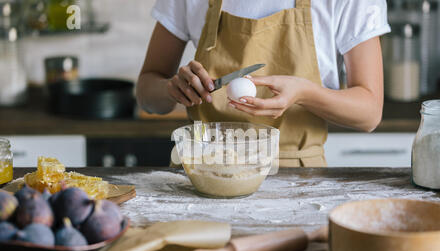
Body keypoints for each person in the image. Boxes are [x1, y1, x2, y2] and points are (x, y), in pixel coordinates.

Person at [137, 0, 391, 167]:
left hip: (297, 180)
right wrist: (172, 90)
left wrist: (304, 94)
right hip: (202, 173)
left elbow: (369, 113)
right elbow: (146, 95)